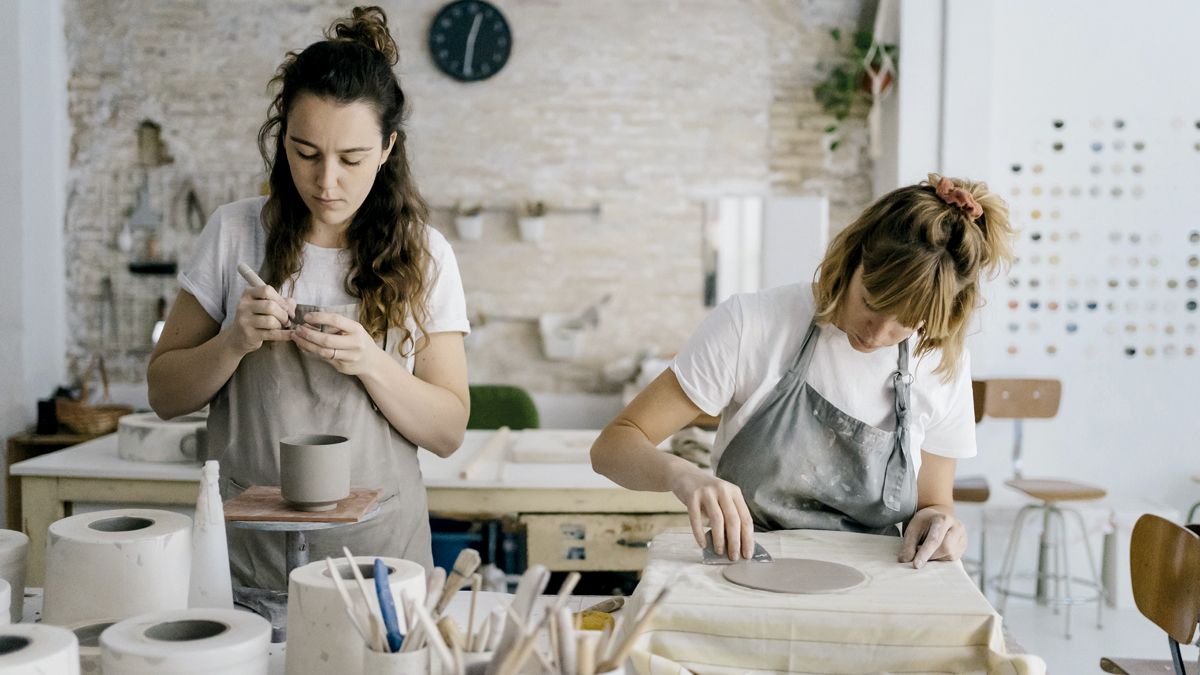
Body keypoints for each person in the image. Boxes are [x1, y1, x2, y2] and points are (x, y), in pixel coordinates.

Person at [147, 6, 470, 590]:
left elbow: (448, 432)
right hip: (249, 562)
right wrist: (232, 343)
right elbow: (165, 394)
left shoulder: (426, 253)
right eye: (305, 153)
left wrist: (371, 362)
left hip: (381, 565)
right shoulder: (233, 232)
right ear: (281, 142)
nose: (326, 182)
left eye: (351, 159)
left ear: (388, 148)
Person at [591, 174, 1014, 567]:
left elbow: (934, 505)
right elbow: (612, 447)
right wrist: (682, 475)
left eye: (906, 321)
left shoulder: (938, 362)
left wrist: (940, 526)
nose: (879, 332)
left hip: (875, 588)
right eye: (871, 301)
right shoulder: (752, 323)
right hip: (745, 571)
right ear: (852, 259)